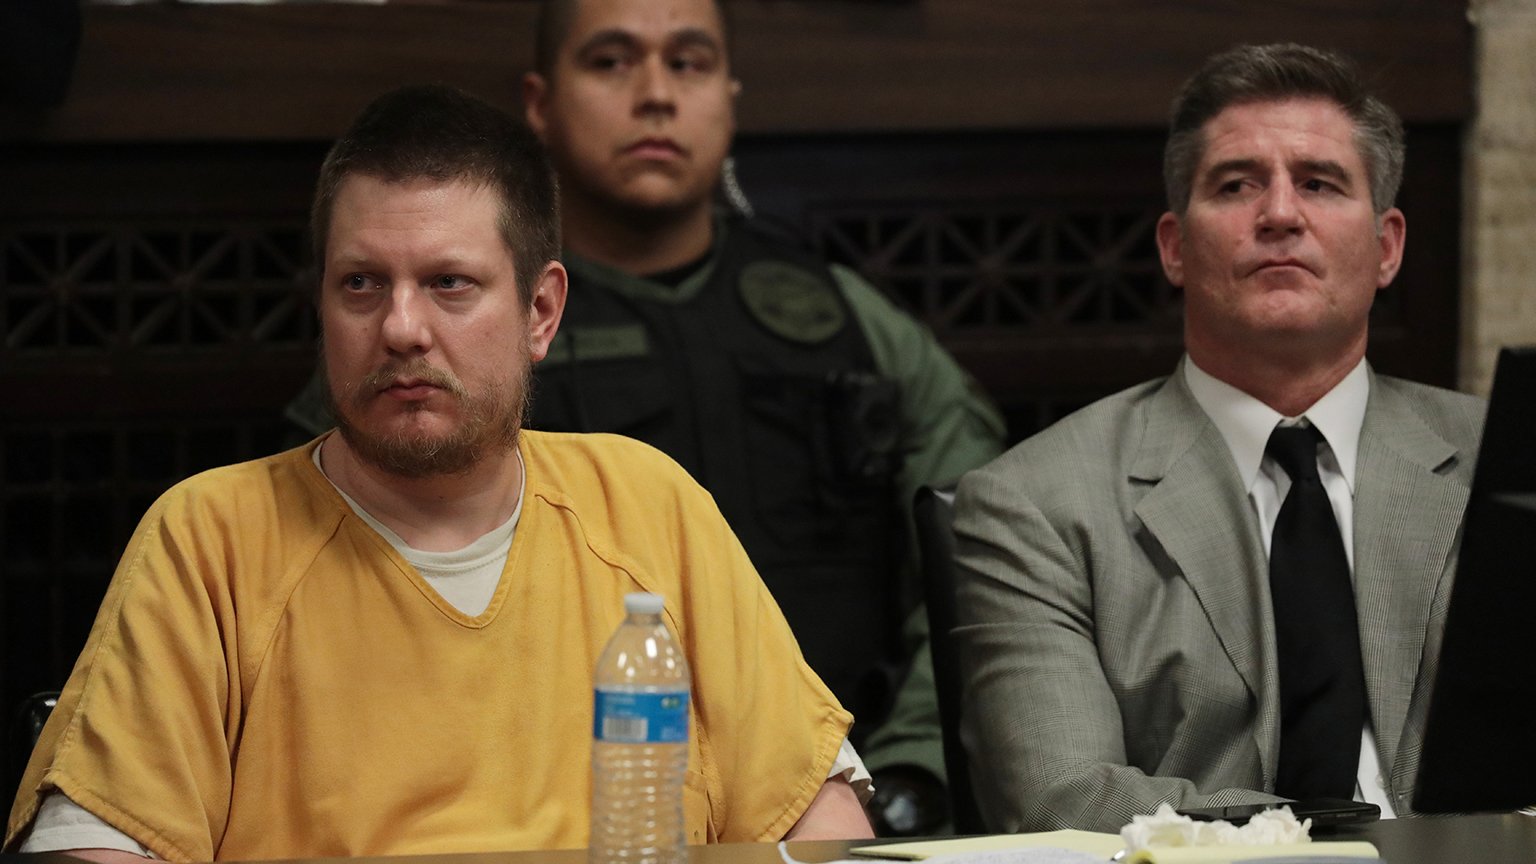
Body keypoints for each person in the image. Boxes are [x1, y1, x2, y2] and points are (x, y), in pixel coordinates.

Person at [5, 84, 873, 863]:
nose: (402, 328)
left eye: (450, 283)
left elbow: (819, 813)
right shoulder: (212, 537)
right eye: (361, 285)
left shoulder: (649, 503)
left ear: (541, 311)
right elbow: (99, 848)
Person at [952, 43, 1486, 833]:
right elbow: (1059, 803)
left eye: (1319, 182)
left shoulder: (1497, 460)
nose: (1278, 214)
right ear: (1174, 247)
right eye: (1237, 185)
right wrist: (1326, 839)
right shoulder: (1033, 504)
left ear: (1387, 247)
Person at [519, 0, 1006, 833]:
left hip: (861, 811)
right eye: (610, 61)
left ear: (731, 94)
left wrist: (911, 771)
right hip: (587, 820)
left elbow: (985, 565)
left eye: (690, 61)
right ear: (540, 103)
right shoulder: (472, 333)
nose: (655, 94)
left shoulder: (850, 319)